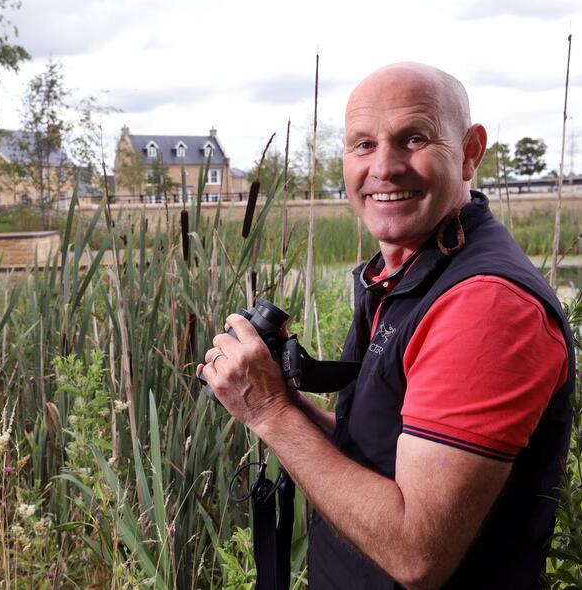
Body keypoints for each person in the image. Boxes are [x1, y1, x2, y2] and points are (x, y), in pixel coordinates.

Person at [197, 62, 575, 589]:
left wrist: (270, 412)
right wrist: (275, 397)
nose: (384, 167)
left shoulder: (485, 306)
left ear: (469, 153)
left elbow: (417, 552)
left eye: (413, 138)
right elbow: (379, 457)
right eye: (363, 145)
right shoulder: (410, 274)